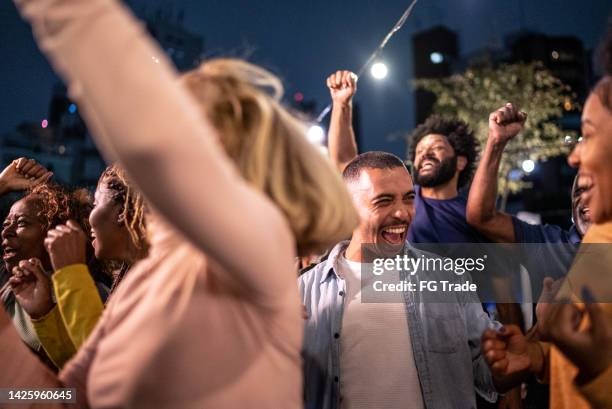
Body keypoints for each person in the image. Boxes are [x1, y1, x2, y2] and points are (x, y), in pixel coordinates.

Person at [6, 1, 358, 409]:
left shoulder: (255, 251)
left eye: (191, 132)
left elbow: (143, 131)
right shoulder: (142, 283)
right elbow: (66, 399)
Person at [300, 150, 511, 409]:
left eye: (408, 199)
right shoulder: (303, 292)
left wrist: (510, 363)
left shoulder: (448, 277)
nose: (402, 214)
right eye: (384, 201)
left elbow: (488, 370)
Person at [481, 75, 612, 409]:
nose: (574, 156)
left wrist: (595, 367)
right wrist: (536, 356)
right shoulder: (597, 240)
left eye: (589, 135)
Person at [9, 164, 148, 369]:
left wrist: (71, 271)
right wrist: (44, 312)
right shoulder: (131, 278)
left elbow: (102, 366)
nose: (90, 220)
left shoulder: (156, 282)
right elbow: (80, 367)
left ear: (121, 211)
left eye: (96, 205)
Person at [466, 103, 591, 302]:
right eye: (579, 191)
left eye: (595, 188)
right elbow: (482, 216)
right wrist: (496, 142)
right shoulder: (548, 244)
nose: (585, 197)